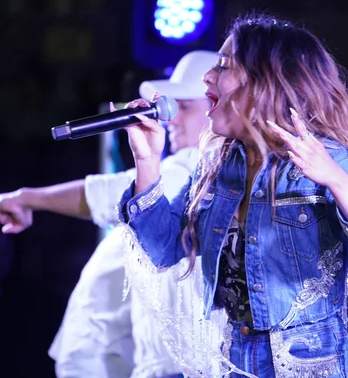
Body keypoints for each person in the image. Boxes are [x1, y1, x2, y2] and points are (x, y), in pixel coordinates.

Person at [116, 12, 348, 378]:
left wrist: (337, 180)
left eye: (222, 67)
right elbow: (164, 246)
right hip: (234, 360)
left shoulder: (325, 158)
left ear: (266, 82)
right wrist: (147, 161)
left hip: (309, 364)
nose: (208, 77)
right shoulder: (222, 165)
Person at [0, 50, 218, 378]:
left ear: (217, 108)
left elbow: (104, 195)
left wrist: (26, 199)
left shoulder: (194, 165)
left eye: (184, 106)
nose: (170, 118)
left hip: (164, 366)